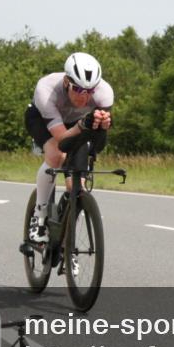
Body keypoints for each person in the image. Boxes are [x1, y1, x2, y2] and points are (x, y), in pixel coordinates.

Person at [23, 52, 113, 245]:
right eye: (78, 89)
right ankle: (39, 218)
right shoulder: (46, 90)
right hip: (42, 119)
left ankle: (67, 239)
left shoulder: (105, 93)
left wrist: (102, 127)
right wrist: (82, 127)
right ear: (66, 81)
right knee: (56, 155)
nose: (84, 96)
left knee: (75, 184)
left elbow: (98, 143)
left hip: (77, 123)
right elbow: (64, 141)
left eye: (90, 91)